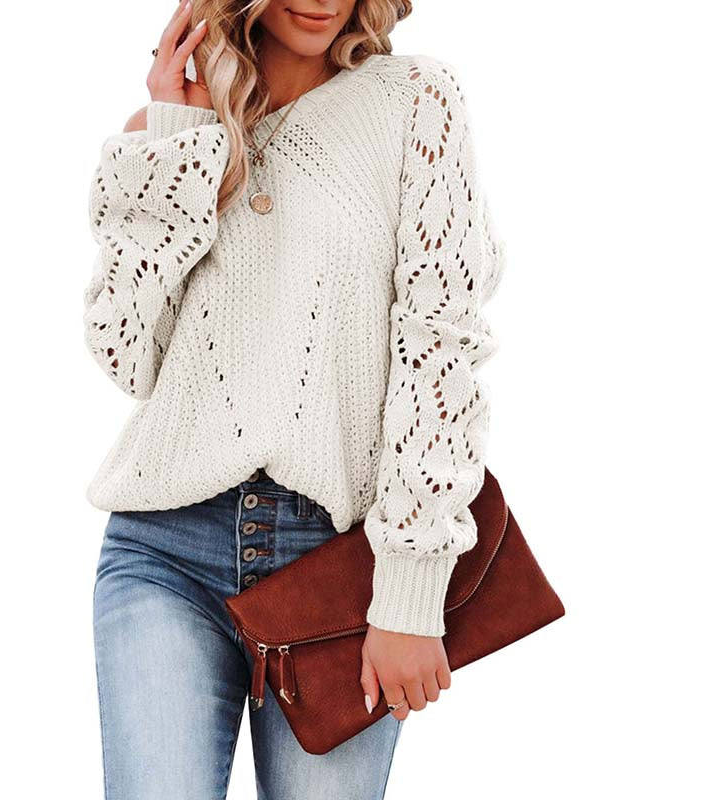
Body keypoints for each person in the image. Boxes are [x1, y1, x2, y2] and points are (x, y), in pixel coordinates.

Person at [82, 1, 505, 798]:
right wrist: (179, 141)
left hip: (339, 563)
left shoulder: (416, 103)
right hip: (166, 553)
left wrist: (410, 594)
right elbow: (127, 354)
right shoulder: (170, 133)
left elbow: (440, 348)